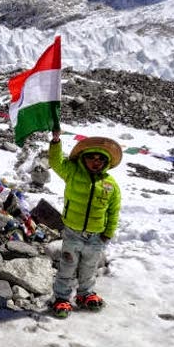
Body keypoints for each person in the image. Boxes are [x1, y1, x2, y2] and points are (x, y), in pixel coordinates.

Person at [48, 130, 122, 318]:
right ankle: (61, 298)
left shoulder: (110, 184)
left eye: (100, 159)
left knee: (89, 268)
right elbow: (55, 163)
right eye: (91, 157)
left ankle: (85, 294)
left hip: (97, 236)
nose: (96, 161)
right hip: (73, 232)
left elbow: (113, 211)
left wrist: (109, 232)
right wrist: (56, 141)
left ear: (106, 163)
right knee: (67, 266)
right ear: (83, 158)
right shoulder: (72, 172)